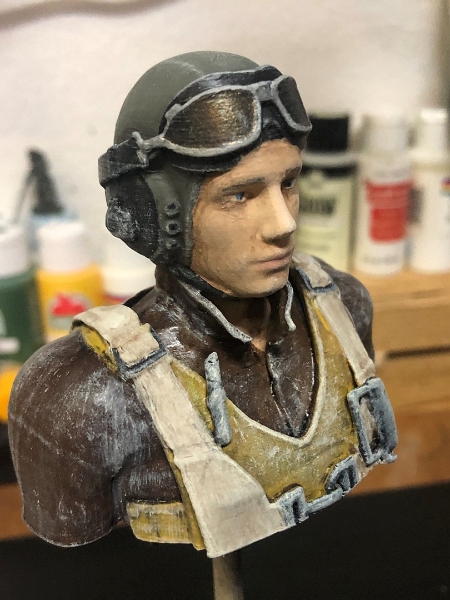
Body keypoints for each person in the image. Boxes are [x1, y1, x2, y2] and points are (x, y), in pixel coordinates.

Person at [8, 51, 397, 558]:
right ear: (157, 214)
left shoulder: (342, 307)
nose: (283, 224)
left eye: (288, 183)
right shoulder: (78, 396)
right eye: (240, 196)